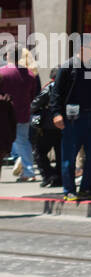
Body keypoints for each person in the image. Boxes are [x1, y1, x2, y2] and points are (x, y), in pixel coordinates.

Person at [51, 36, 91, 202]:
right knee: (69, 155)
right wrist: (56, 114)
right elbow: (56, 93)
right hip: (72, 117)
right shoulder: (67, 67)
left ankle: (87, 188)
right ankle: (69, 190)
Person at [1, 41, 40, 183]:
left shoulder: (2, 73)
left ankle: (26, 169)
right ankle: (28, 170)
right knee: (22, 141)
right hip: (23, 113)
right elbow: (33, 95)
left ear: (7, 55)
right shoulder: (29, 74)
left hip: (4, 115)